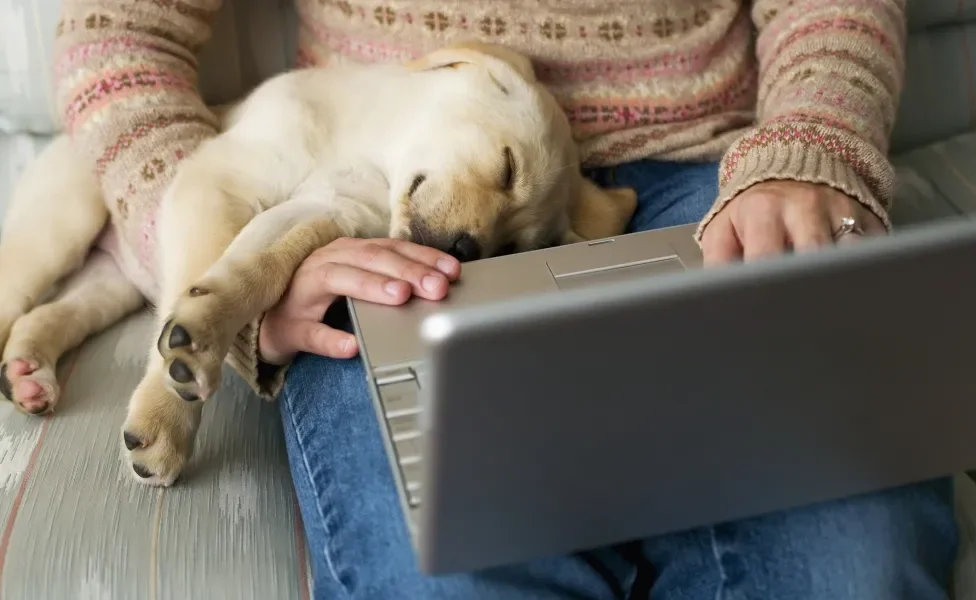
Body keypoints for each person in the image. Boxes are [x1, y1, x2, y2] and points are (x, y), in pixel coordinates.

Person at [54, 0, 958, 597]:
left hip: (714, 178)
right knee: (451, 574)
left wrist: (814, 146)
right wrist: (225, 257)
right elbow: (113, 30)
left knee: (854, 564)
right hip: (371, 200)